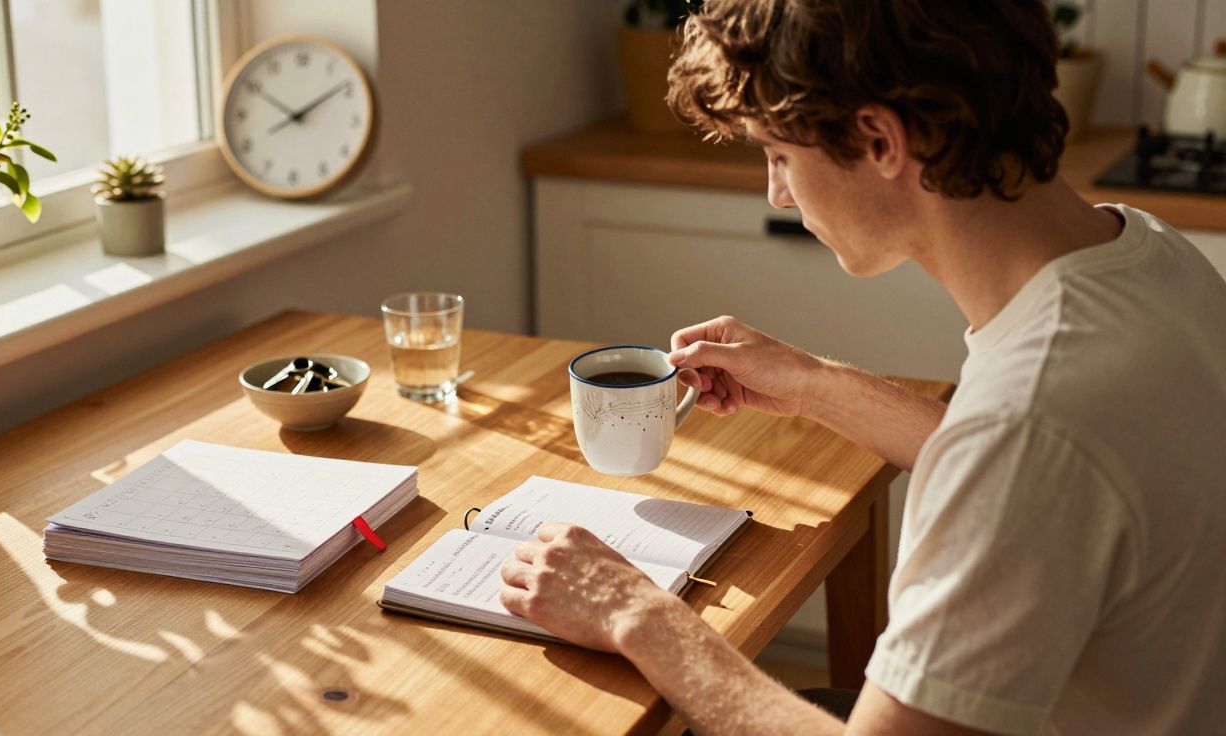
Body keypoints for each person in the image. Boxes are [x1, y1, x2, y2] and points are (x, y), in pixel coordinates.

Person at [497, 0, 1226, 733]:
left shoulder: (1027, 425)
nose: (776, 191)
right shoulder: (1148, 255)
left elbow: (1021, 455)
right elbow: (1049, 486)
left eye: (779, 155)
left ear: (879, 139)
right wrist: (813, 382)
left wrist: (638, 615)